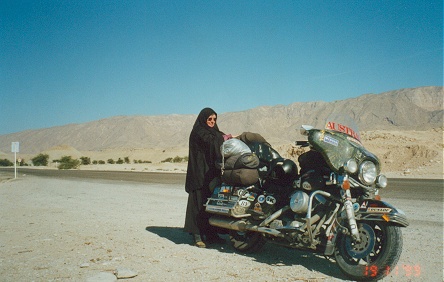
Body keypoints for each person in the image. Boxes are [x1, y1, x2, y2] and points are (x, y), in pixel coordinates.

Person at [184, 107, 231, 248]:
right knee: (198, 205)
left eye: (214, 119)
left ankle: (211, 234)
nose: (212, 121)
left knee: (211, 204)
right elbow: (212, 141)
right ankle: (197, 235)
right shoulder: (198, 132)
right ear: (203, 119)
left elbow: (218, 139)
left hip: (210, 174)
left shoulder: (214, 132)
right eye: (209, 119)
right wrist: (224, 138)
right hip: (199, 174)